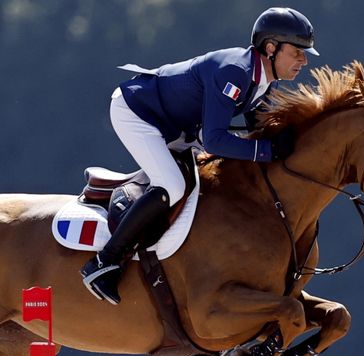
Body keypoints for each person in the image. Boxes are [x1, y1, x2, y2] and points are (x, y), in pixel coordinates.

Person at [80, 7, 319, 305]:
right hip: (138, 113)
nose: (304, 60)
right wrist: (267, 150)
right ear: (271, 48)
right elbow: (217, 141)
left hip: (179, 125)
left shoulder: (264, 81)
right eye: (297, 52)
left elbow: (257, 131)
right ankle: (104, 263)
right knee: (172, 185)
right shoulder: (236, 72)